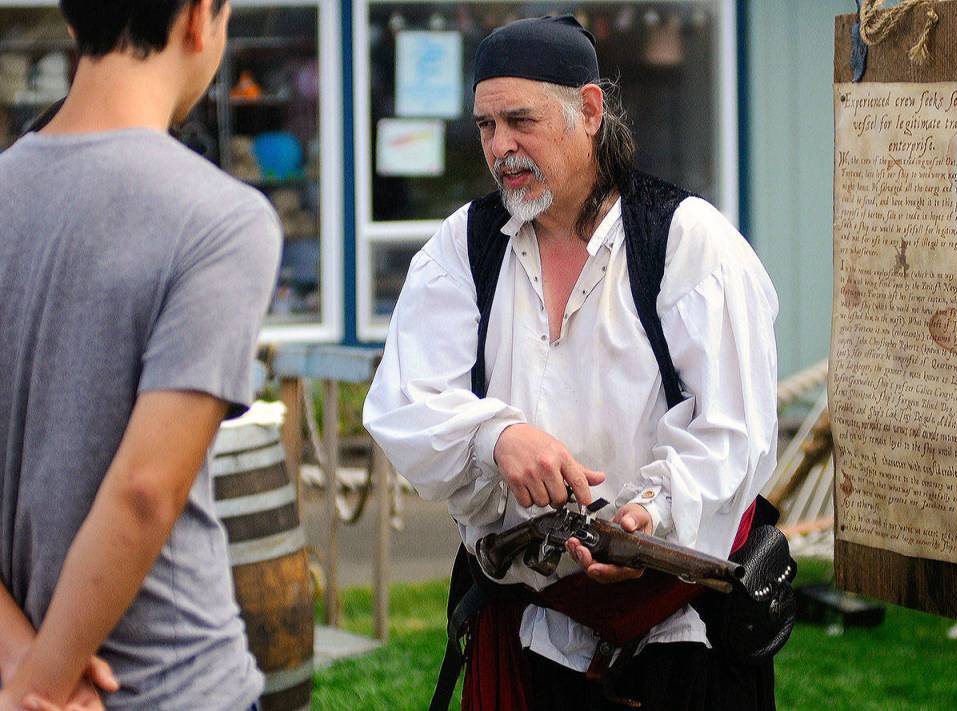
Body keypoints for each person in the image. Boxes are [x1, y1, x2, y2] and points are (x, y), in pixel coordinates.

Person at [364, 15, 780, 711]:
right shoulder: (465, 248)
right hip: (532, 628)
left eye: (519, 121)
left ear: (589, 111)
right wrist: (495, 435)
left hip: (679, 637)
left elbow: (735, 430)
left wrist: (649, 516)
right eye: (486, 127)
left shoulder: (685, 243)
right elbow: (403, 400)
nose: (500, 148)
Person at [0, 1, 281, 709]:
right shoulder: (222, 219)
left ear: (74, 21)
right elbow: (145, 489)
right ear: (199, 19)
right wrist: (45, 684)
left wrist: (21, 665)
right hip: (170, 681)